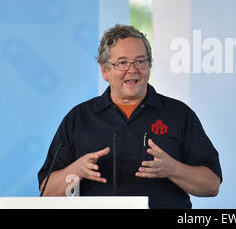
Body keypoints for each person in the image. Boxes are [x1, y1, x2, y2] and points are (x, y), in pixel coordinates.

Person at [38, 24, 222, 208]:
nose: (132, 70)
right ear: (105, 70)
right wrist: (77, 170)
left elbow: (211, 185)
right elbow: (47, 192)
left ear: (149, 65)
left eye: (140, 61)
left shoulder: (179, 114)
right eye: (122, 63)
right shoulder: (79, 118)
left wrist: (173, 169)